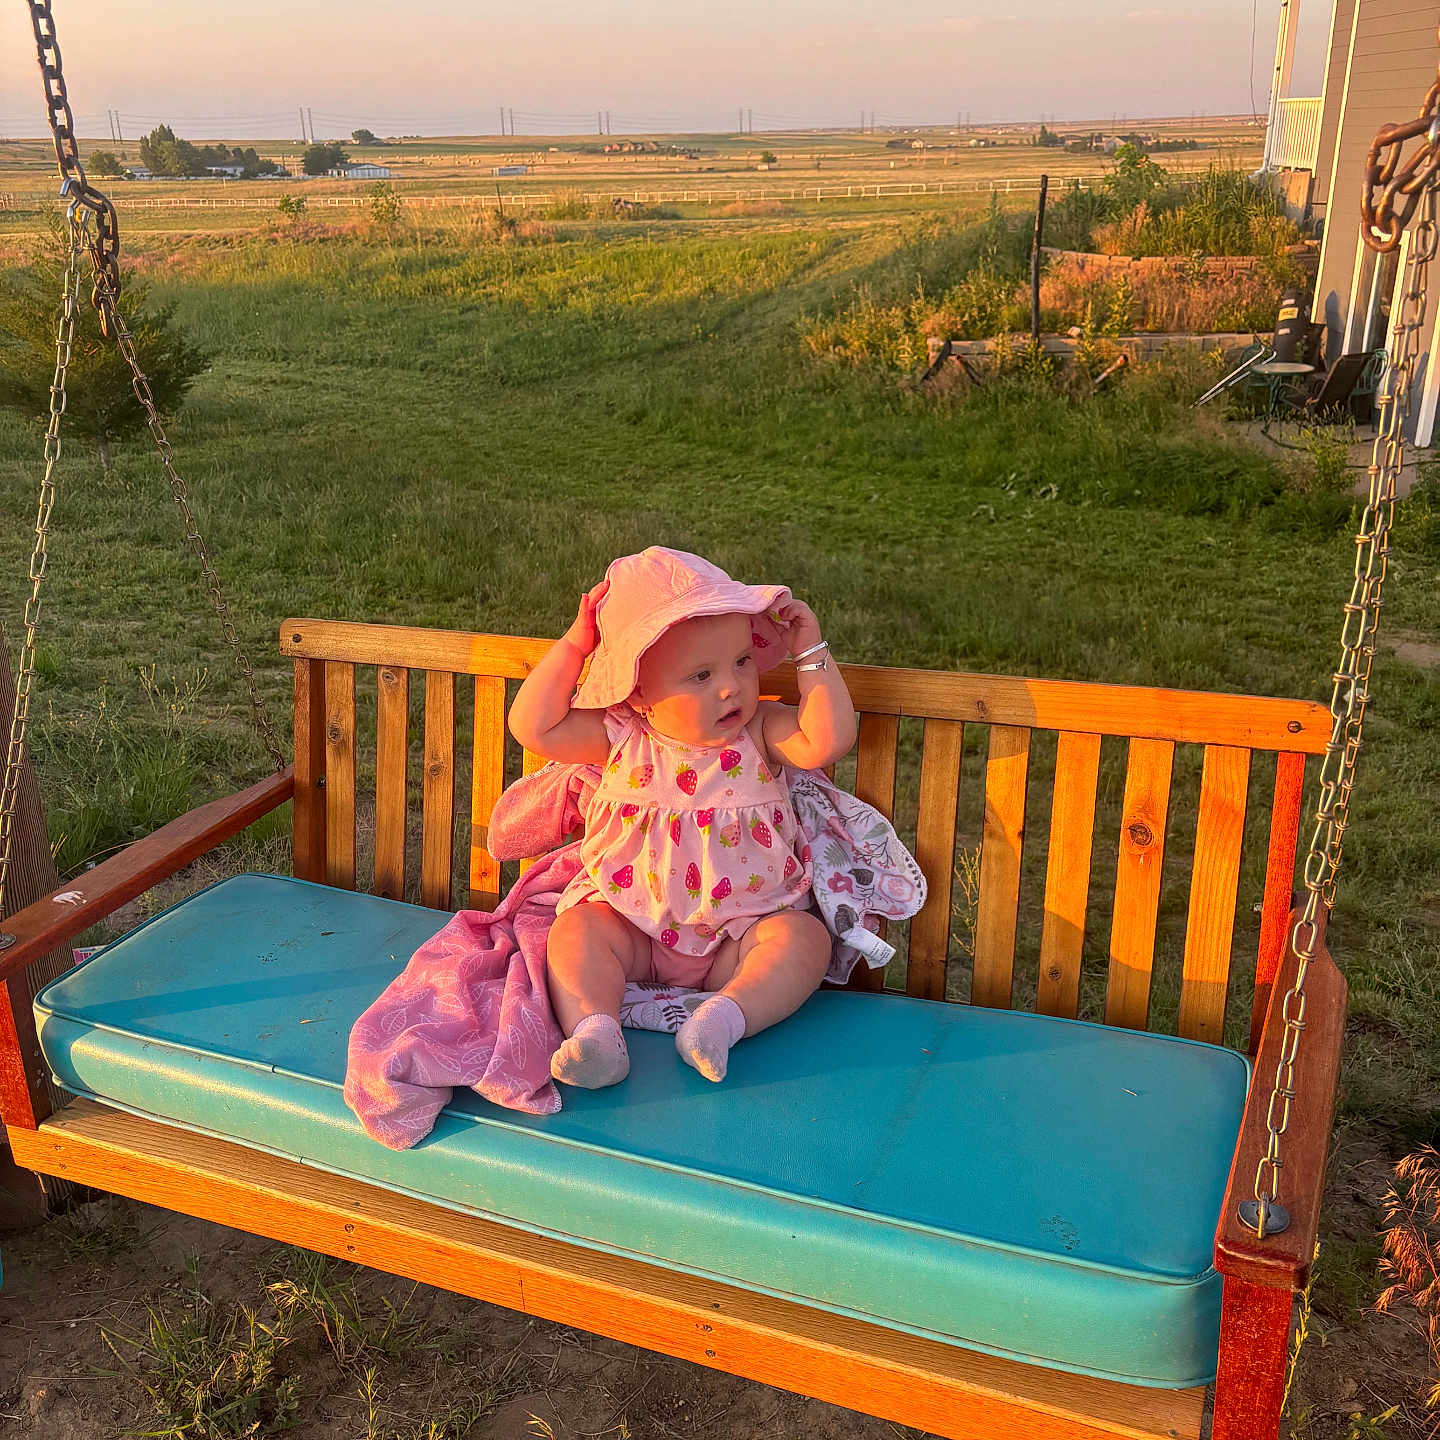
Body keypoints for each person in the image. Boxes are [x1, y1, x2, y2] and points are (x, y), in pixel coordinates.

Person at [508, 547, 858, 1089]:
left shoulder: (760, 731)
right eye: (700, 675)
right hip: (632, 926)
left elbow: (826, 741)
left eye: (742, 662)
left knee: (803, 941)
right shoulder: (621, 737)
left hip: (739, 934)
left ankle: (722, 1020)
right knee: (575, 931)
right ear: (639, 694)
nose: (730, 686)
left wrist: (810, 652)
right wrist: (578, 646)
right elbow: (533, 727)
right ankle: (595, 1034)